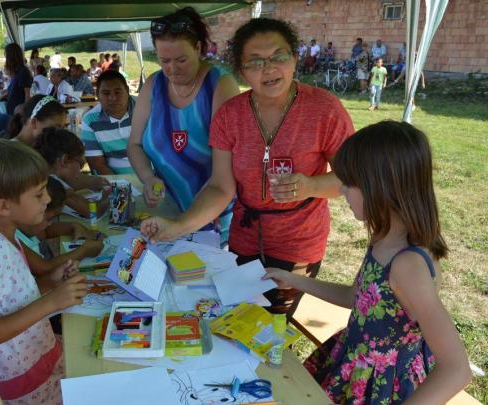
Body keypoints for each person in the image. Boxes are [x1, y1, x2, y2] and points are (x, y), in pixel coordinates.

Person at [141, 17, 354, 316]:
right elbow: (219, 186)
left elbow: (353, 178)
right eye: (255, 62)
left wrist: (310, 185)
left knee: (274, 326)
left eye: (278, 57)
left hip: (298, 241)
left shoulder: (325, 110)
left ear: (295, 58)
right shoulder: (230, 115)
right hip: (245, 238)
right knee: (241, 319)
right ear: (241, 71)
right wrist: (178, 227)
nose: (268, 69)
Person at [264, 121, 472, 403]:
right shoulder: (383, 237)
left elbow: (456, 369)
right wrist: (293, 280)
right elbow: (356, 296)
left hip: (382, 386)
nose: (342, 192)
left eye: (350, 184)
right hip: (354, 362)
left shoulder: (408, 265)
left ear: (382, 187)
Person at [0, 139, 87, 403]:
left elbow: (15, 299)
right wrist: (52, 301)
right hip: (24, 380)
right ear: (5, 206)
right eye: (39, 193)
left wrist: (52, 282)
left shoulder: (6, 234)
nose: (48, 199)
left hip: (37, 357)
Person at [128, 6, 240, 241]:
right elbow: (135, 144)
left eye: (181, 59)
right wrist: (148, 178)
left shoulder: (220, 86)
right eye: (164, 60)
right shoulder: (153, 85)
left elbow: (226, 170)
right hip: (168, 210)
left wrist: (186, 222)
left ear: (199, 48)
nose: (172, 69)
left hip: (213, 215)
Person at [17, 177, 103, 275]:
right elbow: (45, 268)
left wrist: (72, 226)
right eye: (49, 219)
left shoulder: (27, 228)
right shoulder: (14, 239)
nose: (50, 223)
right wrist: (84, 251)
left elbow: (45, 232)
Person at [35, 128, 110, 218]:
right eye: (80, 164)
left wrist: (93, 182)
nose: (80, 171)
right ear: (65, 160)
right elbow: (92, 212)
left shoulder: (40, 171)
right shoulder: (54, 185)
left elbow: (75, 182)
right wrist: (107, 197)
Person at [82, 70, 136, 175]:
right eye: (106, 93)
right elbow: (97, 164)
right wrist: (120, 186)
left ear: (127, 90)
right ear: (97, 94)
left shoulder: (146, 109)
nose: (113, 98)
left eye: (117, 92)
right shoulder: (90, 120)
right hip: (114, 184)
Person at [4, 43, 32, 115]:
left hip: (18, 114)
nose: (5, 58)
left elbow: (27, 95)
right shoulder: (16, 71)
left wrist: (24, 112)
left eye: (6, 55)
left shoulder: (23, 71)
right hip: (12, 111)